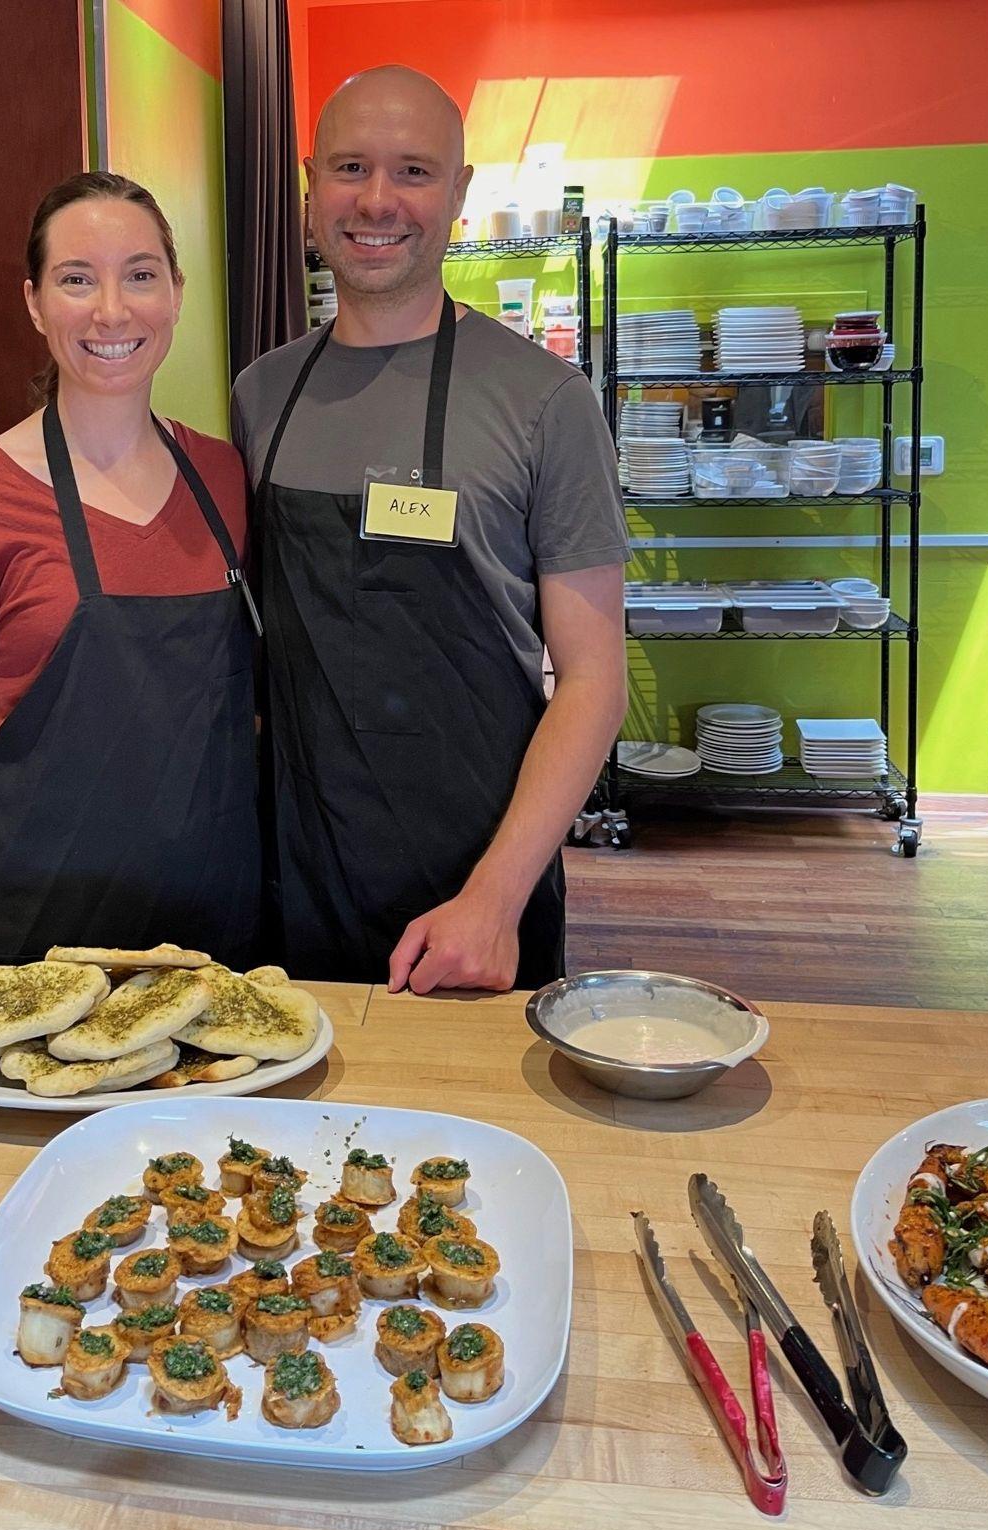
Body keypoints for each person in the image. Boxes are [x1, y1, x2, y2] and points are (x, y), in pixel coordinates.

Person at [231, 66, 628, 995]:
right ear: (308, 186)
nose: (377, 200)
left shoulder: (544, 401)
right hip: (288, 883)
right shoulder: (261, 394)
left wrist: (492, 899)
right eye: (349, 168)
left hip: (473, 893)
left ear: (458, 192)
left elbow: (595, 679)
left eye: (413, 171)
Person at [0, 172, 261, 966]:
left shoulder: (226, 477)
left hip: (214, 952)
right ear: (33, 302)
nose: (112, 310)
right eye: (76, 279)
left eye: (139, 274)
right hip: (25, 955)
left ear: (175, 292)